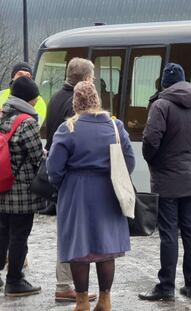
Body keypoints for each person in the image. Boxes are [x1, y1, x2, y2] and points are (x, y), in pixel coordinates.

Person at [47, 81, 135, 310]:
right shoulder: (116, 126)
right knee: (106, 250)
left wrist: (63, 185)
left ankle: (82, 302)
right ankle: (105, 300)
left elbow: (54, 169)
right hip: (109, 192)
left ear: (75, 102)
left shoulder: (68, 128)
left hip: (77, 194)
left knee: (79, 250)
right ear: (97, 99)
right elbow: (130, 162)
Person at [139, 63, 191, 301]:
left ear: (165, 83)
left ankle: (166, 287)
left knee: (169, 234)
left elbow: (151, 141)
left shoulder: (161, 106)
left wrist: (155, 160)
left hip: (166, 180)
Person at [44, 57, 97, 303]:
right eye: (92, 76)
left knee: (67, 231)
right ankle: (66, 285)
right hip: (72, 179)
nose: (94, 80)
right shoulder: (72, 104)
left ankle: (66, 284)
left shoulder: (55, 98)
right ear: (85, 79)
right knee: (74, 234)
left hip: (61, 177)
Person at [0, 77, 44, 296]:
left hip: (0, 186)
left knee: (2, 232)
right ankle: (14, 280)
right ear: (30, 98)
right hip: (20, 191)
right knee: (19, 235)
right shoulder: (27, 122)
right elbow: (38, 157)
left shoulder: (1, 115)